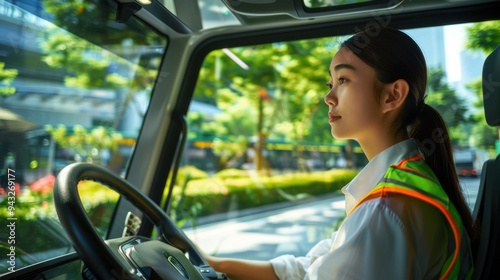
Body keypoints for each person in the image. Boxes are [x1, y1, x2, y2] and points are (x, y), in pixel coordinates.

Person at [201, 27, 478, 279]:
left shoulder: (385, 209)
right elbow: (309, 269)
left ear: (392, 96)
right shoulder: (394, 190)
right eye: (330, 83)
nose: (329, 97)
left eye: (343, 80)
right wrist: (211, 265)